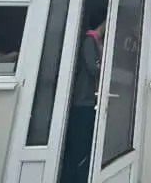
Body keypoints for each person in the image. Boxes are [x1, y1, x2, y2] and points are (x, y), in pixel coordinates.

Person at [60, 14, 106, 183]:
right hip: (83, 100)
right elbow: (93, 68)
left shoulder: (97, 42)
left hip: (91, 101)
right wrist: (109, 68)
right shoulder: (89, 41)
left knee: (86, 145)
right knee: (80, 145)